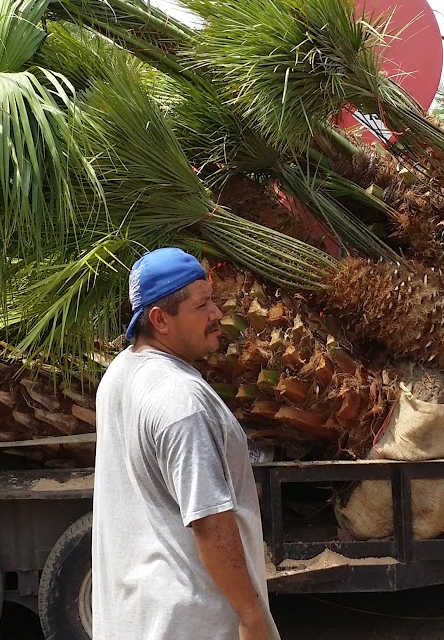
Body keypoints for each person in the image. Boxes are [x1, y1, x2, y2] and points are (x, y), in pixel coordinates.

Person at [92, 247, 279, 640]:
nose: (217, 315)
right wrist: (252, 617)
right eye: (202, 305)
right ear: (160, 319)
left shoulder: (120, 373)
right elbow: (210, 523)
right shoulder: (181, 400)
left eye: (212, 300)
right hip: (192, 622)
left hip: (137, 618)